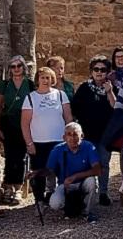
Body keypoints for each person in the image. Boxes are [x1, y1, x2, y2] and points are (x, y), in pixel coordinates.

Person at [22, 67, 72, 207]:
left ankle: (61, 198)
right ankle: (39, 200)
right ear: (37, 79)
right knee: (39, 172)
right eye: (42, 77)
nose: (45, 80)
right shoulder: (30, 98)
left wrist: (70, 137)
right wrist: (29, 143)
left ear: (53, 79)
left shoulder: (61, 95)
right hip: (38, 141)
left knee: (60, 169)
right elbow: (25, 124)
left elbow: (68, 117)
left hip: (59, 140)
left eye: (48, 77)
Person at [71, 55, 117, 206]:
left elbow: (115, 107)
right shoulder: (84, 88)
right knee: (86, 163)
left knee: (104, 163)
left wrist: (109, 91)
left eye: (103, 70)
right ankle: (86, 192)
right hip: (87, 134)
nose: (99, 72)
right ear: (91, 71)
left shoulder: (112, 88)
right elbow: (75, 109)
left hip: (105, 134)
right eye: (96, 69)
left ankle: (103, 192)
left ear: (107, 72)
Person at [0, 55, 33, 205]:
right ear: (9, 69)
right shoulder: (4, 85)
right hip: (9, 123)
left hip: (25, 123)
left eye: (19, 66)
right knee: (10, 156)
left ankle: (17, 187)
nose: (16, 69)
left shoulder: (30, 85)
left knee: (22, 156)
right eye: (13, 66)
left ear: (23, 68)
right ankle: (8, 186)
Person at [46, 122, 101, 223]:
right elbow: (50, 170)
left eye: (75, 134)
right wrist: (36, 172)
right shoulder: (57, 149)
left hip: (83, 182)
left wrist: (76, 176)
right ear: (64, 137)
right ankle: (71, 206)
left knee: (92, 182)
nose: (72, 138)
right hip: (65, 185)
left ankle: (88, 212)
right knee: (55, 204)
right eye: (69, 134)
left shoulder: (89, 147)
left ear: (82, 136)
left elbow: (97, 170)